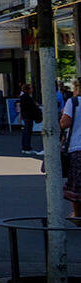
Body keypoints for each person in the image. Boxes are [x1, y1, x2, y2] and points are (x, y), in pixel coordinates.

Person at [61, 89, 81, 218]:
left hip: (77, 147)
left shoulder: (74, 102)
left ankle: (78, 215)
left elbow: (65, 123)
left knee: (77, 186)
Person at [18, 84, 41, 155]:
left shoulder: (23, 97)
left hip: (26, 116)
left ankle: (24, 147)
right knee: (28, 132)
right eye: (31, 88)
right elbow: (31, 107)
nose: (32, 90)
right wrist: (36, 106)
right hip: (28, 116)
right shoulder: (27, 98)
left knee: (26, 132)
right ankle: (27, 147)